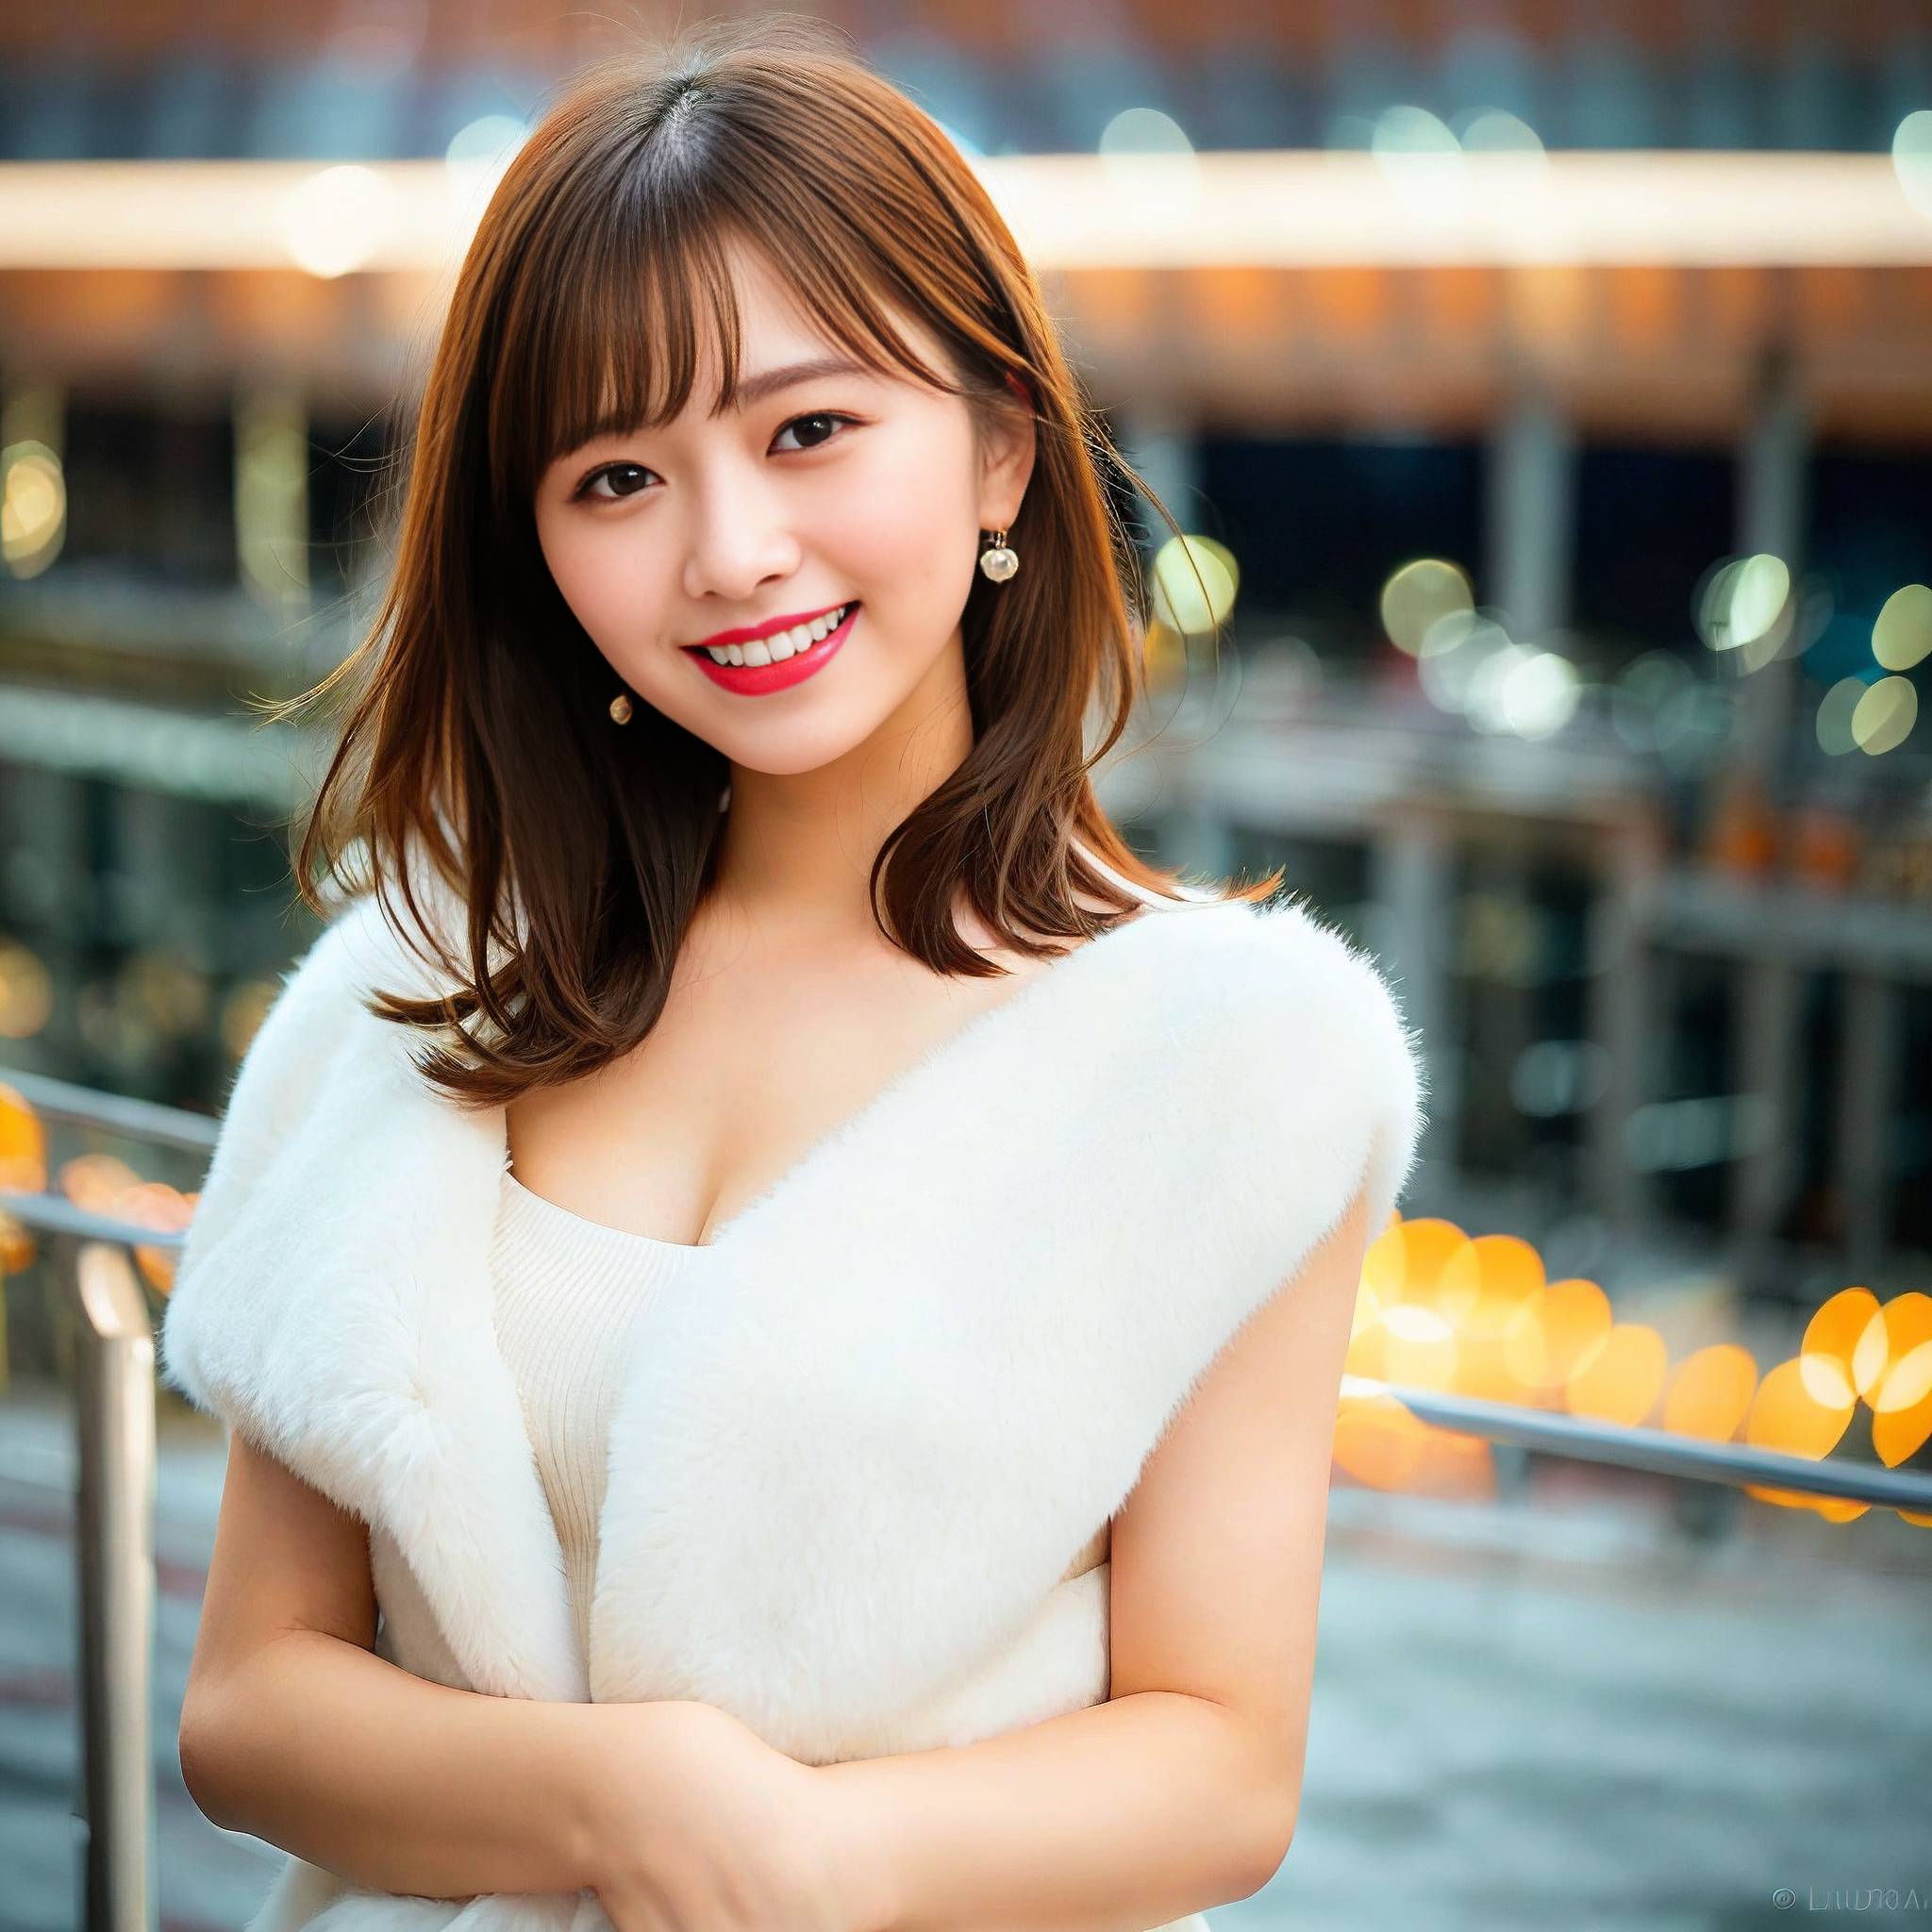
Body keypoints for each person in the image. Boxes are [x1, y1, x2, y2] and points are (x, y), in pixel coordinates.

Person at [161, 16, 1426, 1931]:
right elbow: (250, 1705)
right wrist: (622, 1793)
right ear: (535, 545)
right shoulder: (401, 1003)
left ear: (1002, 446)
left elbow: (1218, 1754)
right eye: (614, 479)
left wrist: (803, 1862)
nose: (730, 552)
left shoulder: (1234, 1063)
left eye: (807, 429)